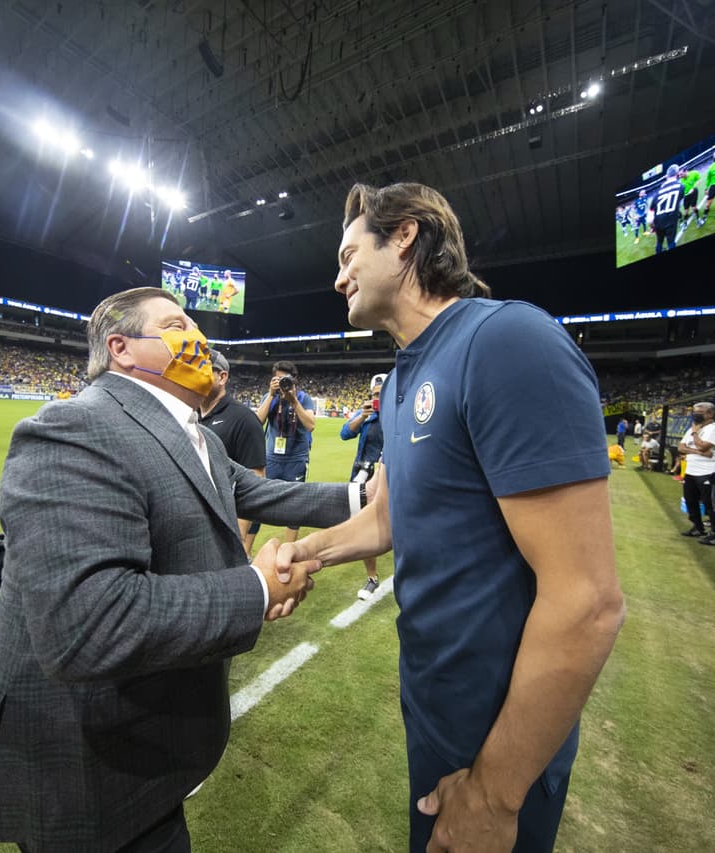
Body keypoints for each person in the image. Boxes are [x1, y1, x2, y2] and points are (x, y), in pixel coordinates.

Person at [0, 288, 365, 852]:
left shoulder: (200, 436)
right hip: (90, 773)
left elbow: (264, 492)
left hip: (147, 759)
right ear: (122, 348)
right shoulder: (74, 427)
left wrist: (366, 497)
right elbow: (87, 625)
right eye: (176, 325)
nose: (200, 340)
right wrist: (257, 586)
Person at [282, 182, 624, 853]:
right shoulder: (407, 374)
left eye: (351, 253)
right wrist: (303, 554)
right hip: (436, 707)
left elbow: (587, 601)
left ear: (404, 236)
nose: (337, 274)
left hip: (497, 730)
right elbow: (386, 518)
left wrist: (496, 794)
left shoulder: (508, 340)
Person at [200, 351, 267, 556]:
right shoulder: (189, 415)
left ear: (222, 377)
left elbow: (256, 481)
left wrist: (238, 538)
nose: (195, 374)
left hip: (225, 529)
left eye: (204, 369)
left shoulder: (244, 419)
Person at [254, 360, 317, 543]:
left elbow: (311, 425)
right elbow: (257, 422)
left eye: (285, 379)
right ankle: (246, 551)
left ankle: (288, 549)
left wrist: (293, 401)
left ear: (294, 380)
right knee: (258, 502)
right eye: (277, 379)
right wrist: (271, 395)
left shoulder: (303, 398)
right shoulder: (269, 396)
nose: (281, 383)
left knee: (295, 507)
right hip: (271, 457)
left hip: (296, 459)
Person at [340, 372, 388, 599]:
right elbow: (344, 434)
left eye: (380, 394)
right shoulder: (366, 413)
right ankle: (372, 578)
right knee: (364, 523)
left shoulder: (396, 413)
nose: (376, 398)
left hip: (388, 475)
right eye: (374, 394)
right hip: (361, 474)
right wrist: (362, 416)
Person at [678, 402, 715, 546]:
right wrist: (697, 451)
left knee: (710, 504)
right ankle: (698, 527)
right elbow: (681, 447)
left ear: (710, 414)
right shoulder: (693, 428)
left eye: (700, 411)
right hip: (691, 470)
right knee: (690, 500)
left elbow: (703, 445)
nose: (695, 414)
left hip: (709, 471)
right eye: (694, 411)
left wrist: (694, 434)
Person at [651, 165, 682, 254]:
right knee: (671, 242)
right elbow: (678, 202)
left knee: (659, 242)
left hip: (658, 221)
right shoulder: (680, 186)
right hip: (671, 219)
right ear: (676, 174)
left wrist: (653, 227)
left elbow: (649, 219)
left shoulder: (656, 195)